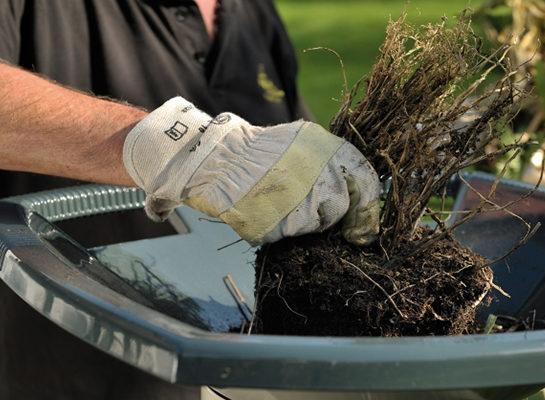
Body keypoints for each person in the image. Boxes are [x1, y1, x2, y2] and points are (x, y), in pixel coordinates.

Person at [0, 1, 380, 399]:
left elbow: (297, 181)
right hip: (77, 375)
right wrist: (182, 149)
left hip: (245, 378)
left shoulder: (250, 13)